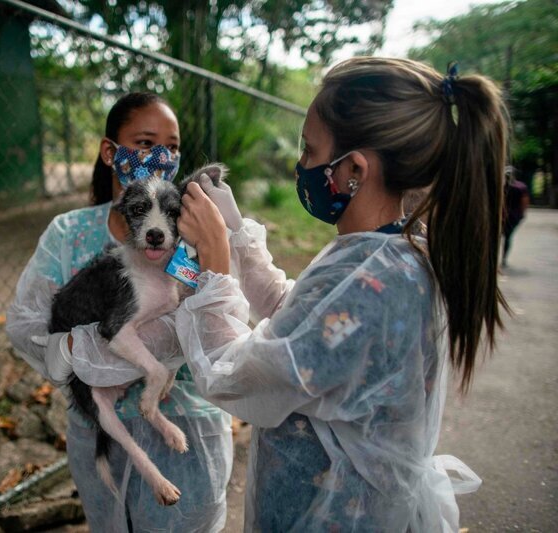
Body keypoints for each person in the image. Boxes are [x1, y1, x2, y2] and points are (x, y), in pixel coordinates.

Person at [175, 58, 508, 532]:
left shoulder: (372, 278)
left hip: (324, 515)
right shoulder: (392, 255)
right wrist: (236, 234)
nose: (301, 165)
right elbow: (306, 328)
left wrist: (212, 265)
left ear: (354, 169)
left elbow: (238, 377)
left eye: (310, 150)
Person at [6, 92, 232, 532]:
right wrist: (86, 353)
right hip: (100, 428)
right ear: (111, 152)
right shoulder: (70, 233)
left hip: (187, 428)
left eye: (171, 146)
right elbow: (27, 326)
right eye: (146, 143)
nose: (161, 157)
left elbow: (222, 328)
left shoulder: (196, 236)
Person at [502, 166, 529, 268]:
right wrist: (522, 214)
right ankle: (503, 258)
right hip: (513, 215)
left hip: (507, 215)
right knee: (507, 237)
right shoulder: (520, 187)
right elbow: (524, 202)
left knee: (505, 237)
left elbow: (524, 201)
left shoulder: (505, 186)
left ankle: (503, 257)